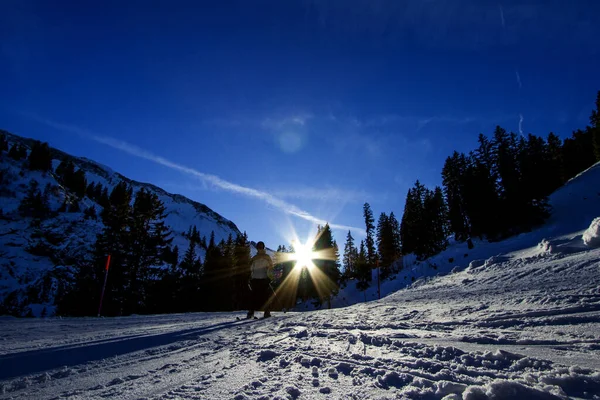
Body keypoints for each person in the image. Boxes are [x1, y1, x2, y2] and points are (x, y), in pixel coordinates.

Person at [246, 241, 274, 319]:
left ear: (257, 248)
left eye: (259, 247)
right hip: (264, 279)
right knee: (266, 296)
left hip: (255, 279)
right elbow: (271, 267)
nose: (260, 249)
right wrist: (270, 277)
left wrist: (250, 277)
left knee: (253, 296)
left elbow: (250, 268)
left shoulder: (254, 258)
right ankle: (267, 312)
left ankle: (251, 312)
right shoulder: (267, 257)